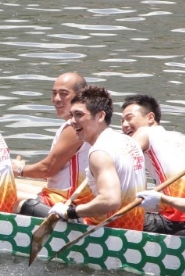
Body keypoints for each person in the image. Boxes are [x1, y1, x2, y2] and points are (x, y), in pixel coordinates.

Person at [49, 86, 147, 231]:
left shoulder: (99, 152)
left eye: (79, 115)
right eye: (71, 115)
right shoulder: (129, 142)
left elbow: (110, 200)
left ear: (100, 116)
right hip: (134, 229)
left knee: (28, 205)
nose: (72, 121)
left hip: (106, 232)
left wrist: (70, 212)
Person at [121, 94, 185, 235]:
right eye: (121, 121)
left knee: (112, 214)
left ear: (150, 118)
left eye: (129, 118)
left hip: (180, 220)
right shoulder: (183, 138)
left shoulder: (145, 132)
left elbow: (118, 159)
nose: (124, 125)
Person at [13, 72, 91, 217]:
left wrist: (18, 169)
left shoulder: (74, 127)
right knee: (12, 186)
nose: (56, 99)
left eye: (63, 94)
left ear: (80, 96)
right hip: (70, 192)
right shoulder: (85, 122)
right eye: (54, 93)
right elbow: (54, 170)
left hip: (69, 200)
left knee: (5, 195)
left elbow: (47, 169)